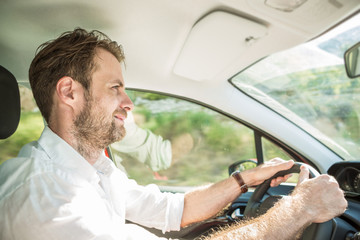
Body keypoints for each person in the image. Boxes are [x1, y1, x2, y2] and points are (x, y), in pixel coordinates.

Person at [0, 28, 347, 240]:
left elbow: (171, 208)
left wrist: (245, 180)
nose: (128, 102)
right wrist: (299, 208)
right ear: (70, 93)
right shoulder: (45, 202)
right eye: (115, 88)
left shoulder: (91, 170)